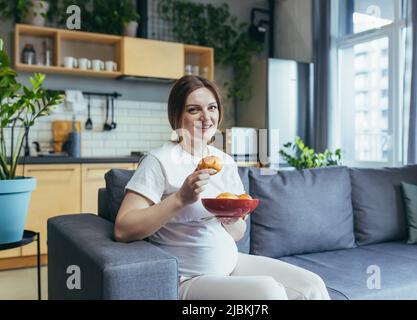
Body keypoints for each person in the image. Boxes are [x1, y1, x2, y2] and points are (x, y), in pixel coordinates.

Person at [114, 75, 331, 300]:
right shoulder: (159, 160)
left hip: (232, 264)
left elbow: (238, 233)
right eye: (193, 110)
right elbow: (123, 229)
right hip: (188, 278)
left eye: (212, 108)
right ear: (176, 116)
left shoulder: (224, 161)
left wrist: (232, 219)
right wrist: (180, 199)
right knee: (269, 293)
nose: (206, 118)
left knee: (311, 286)